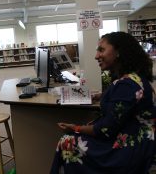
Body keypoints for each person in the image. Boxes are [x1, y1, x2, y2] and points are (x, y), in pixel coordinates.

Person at [50, 31, 156, 174]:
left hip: (134, 148)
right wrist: (100, 96)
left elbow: (104, 130)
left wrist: (74, 127)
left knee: (67, 141)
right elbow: (124, 101)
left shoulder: (127, 85)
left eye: (101, 50)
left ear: (118, 52)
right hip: (136, 137)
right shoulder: (132, 78)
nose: (96, 56)